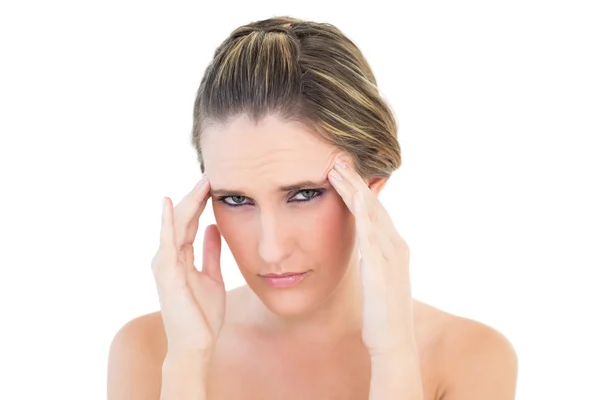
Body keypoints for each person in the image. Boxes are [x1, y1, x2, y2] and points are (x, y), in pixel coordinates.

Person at [107, 16, 518, 399]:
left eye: (304, 195)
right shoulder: (149, 350)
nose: (270, 250)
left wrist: (393, 354)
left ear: (370, 187)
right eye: (236, 199)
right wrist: (187, 362)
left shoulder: (468, 357)